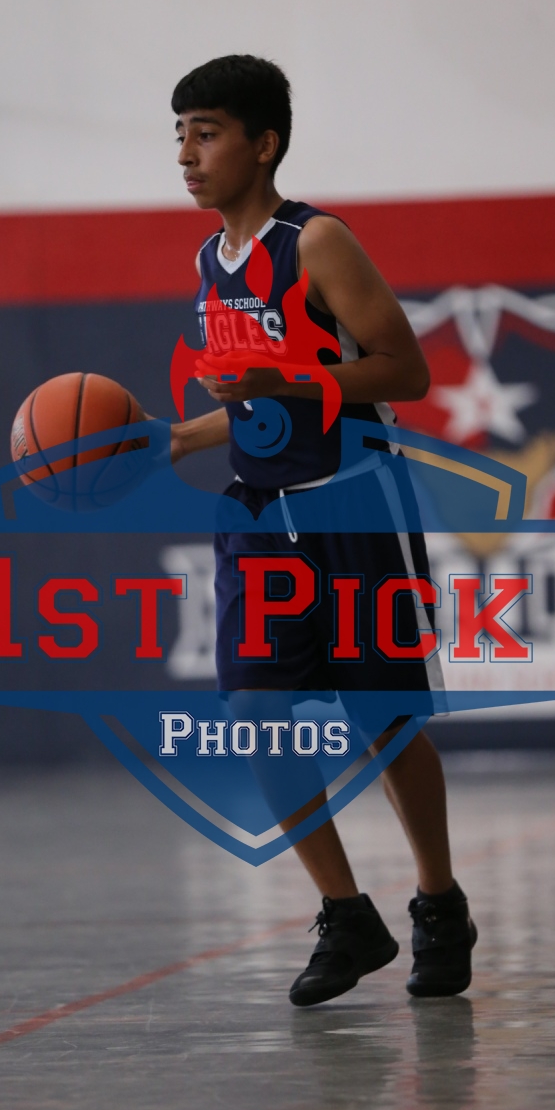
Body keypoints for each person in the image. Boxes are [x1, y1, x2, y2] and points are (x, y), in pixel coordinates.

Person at [168, 54, 476, 1006]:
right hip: (260, 515)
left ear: (263, 145)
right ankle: (347, 917)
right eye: (179, 135)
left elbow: (405, 371)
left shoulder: (317, 241)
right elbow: (258, 403)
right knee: (254, 715)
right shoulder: (210, 263)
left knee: (382, 721)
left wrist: (290, 381)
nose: (186, 154)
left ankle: (439, 904)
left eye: (207, 132)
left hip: (351, 503)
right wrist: (178, 436)